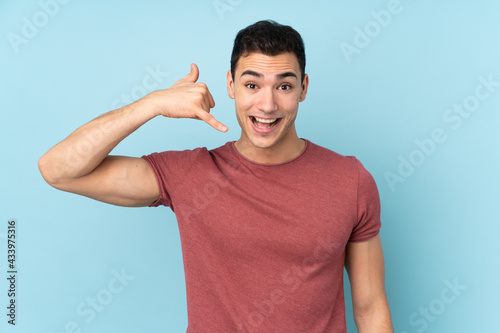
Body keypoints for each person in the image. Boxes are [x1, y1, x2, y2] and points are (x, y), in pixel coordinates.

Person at [39, 20, 393, 332]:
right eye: (252, 85)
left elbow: (370, 306)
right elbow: (57, 169)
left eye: (283, 86)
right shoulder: (191, 175)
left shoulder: (351, 180)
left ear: (303, 88)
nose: (267, 105)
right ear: (231, 85)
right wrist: (152, 105)